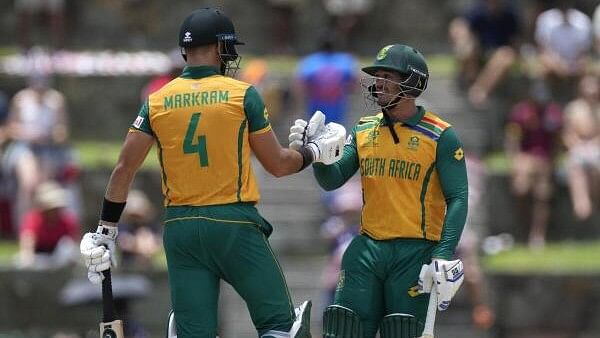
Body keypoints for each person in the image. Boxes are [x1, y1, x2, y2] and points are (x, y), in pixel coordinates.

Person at [78, 7, 346, 338]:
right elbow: (278, 165)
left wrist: (106, 230)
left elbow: (123, 169)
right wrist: (314, 151)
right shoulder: (241, 93)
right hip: (233, 224)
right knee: (282, 327)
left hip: (181, 229)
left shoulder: (157, 100)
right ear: (220, 47)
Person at [290, 44, 468, 337]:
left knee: (402, 331)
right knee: (344, 328)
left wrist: (444, 252)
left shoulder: (440, 135)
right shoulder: (363, 129)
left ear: (412, 81)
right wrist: (318, 155)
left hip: (416, 251)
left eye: (388, 75)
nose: (379, 83)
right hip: (367, 248)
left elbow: (458, 197)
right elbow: (332, 180)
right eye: (377, 76)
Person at [504, 81, 562, 248]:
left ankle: (538, 234)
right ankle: (524, 226)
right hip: (525, 158)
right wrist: (515, 159)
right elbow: (512, 138)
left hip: (544, 159)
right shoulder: (521, 112)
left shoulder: (553, 113)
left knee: (542, 194)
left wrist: (553, 161)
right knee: (520, 189)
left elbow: (557, 140)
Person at [448, 0, 520, 107]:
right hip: (479, 52)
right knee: (464, 43)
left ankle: (479, 91)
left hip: (499, 55)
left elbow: (515, 42)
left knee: (505, 55)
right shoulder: (477, 11)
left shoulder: (510, 13)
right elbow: (459, 26)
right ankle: (471, 82)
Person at [295, 34, 358, 127]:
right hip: (337, 109)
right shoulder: (345, 61)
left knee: (314, 136)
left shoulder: (310, 61)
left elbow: (300, 85)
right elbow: (355, 85)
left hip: (315, 109)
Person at [562, 74, 599, 220]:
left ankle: (594, 201)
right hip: (577, 147)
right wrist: (577, 144)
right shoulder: (573, 108)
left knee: (595, 167)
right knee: (576, 166)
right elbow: (567, 134)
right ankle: (581, 204)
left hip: (596, 147)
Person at [18, 180, 80, 268]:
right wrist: (28, 260)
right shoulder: (33, 219)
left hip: (58, 260)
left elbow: (72, 246)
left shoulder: (67, 221)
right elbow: (28, 243)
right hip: (38, 259)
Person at [117, 189, 161, 268]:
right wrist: (141, 244)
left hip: (149, 268)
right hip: (128, 267)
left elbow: (156, 245)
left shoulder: (151, 226)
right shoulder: (124, 226)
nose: (136, 217)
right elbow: (123, 243)